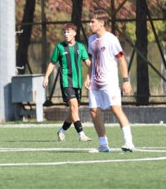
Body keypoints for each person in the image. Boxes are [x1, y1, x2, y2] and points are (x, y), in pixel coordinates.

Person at [86, 9, 136, 153]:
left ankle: (129, 142)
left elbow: (121, 59)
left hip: (110, 83)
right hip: (95, 83)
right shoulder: (91, 40)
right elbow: (92, 61)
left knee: (116, 109)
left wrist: (126, 81)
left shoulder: (111, 39)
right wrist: (88, 77)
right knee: (94, 111)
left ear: (101, 23)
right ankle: (103, 145)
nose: (90, 24)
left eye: (92, 21)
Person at [42, 23, 92, 142]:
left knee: (74, 110)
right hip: (66, 82)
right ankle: (81, 134)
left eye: (68, 32)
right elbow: (52, 63)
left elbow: (89, 63)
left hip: (77, 83)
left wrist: (90, 77)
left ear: (74, 33)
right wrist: (46, 77)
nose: (66, 34)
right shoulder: (59, 47)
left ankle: (62, 131)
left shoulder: (80, 47)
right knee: (74, 107)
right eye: (64, 32)